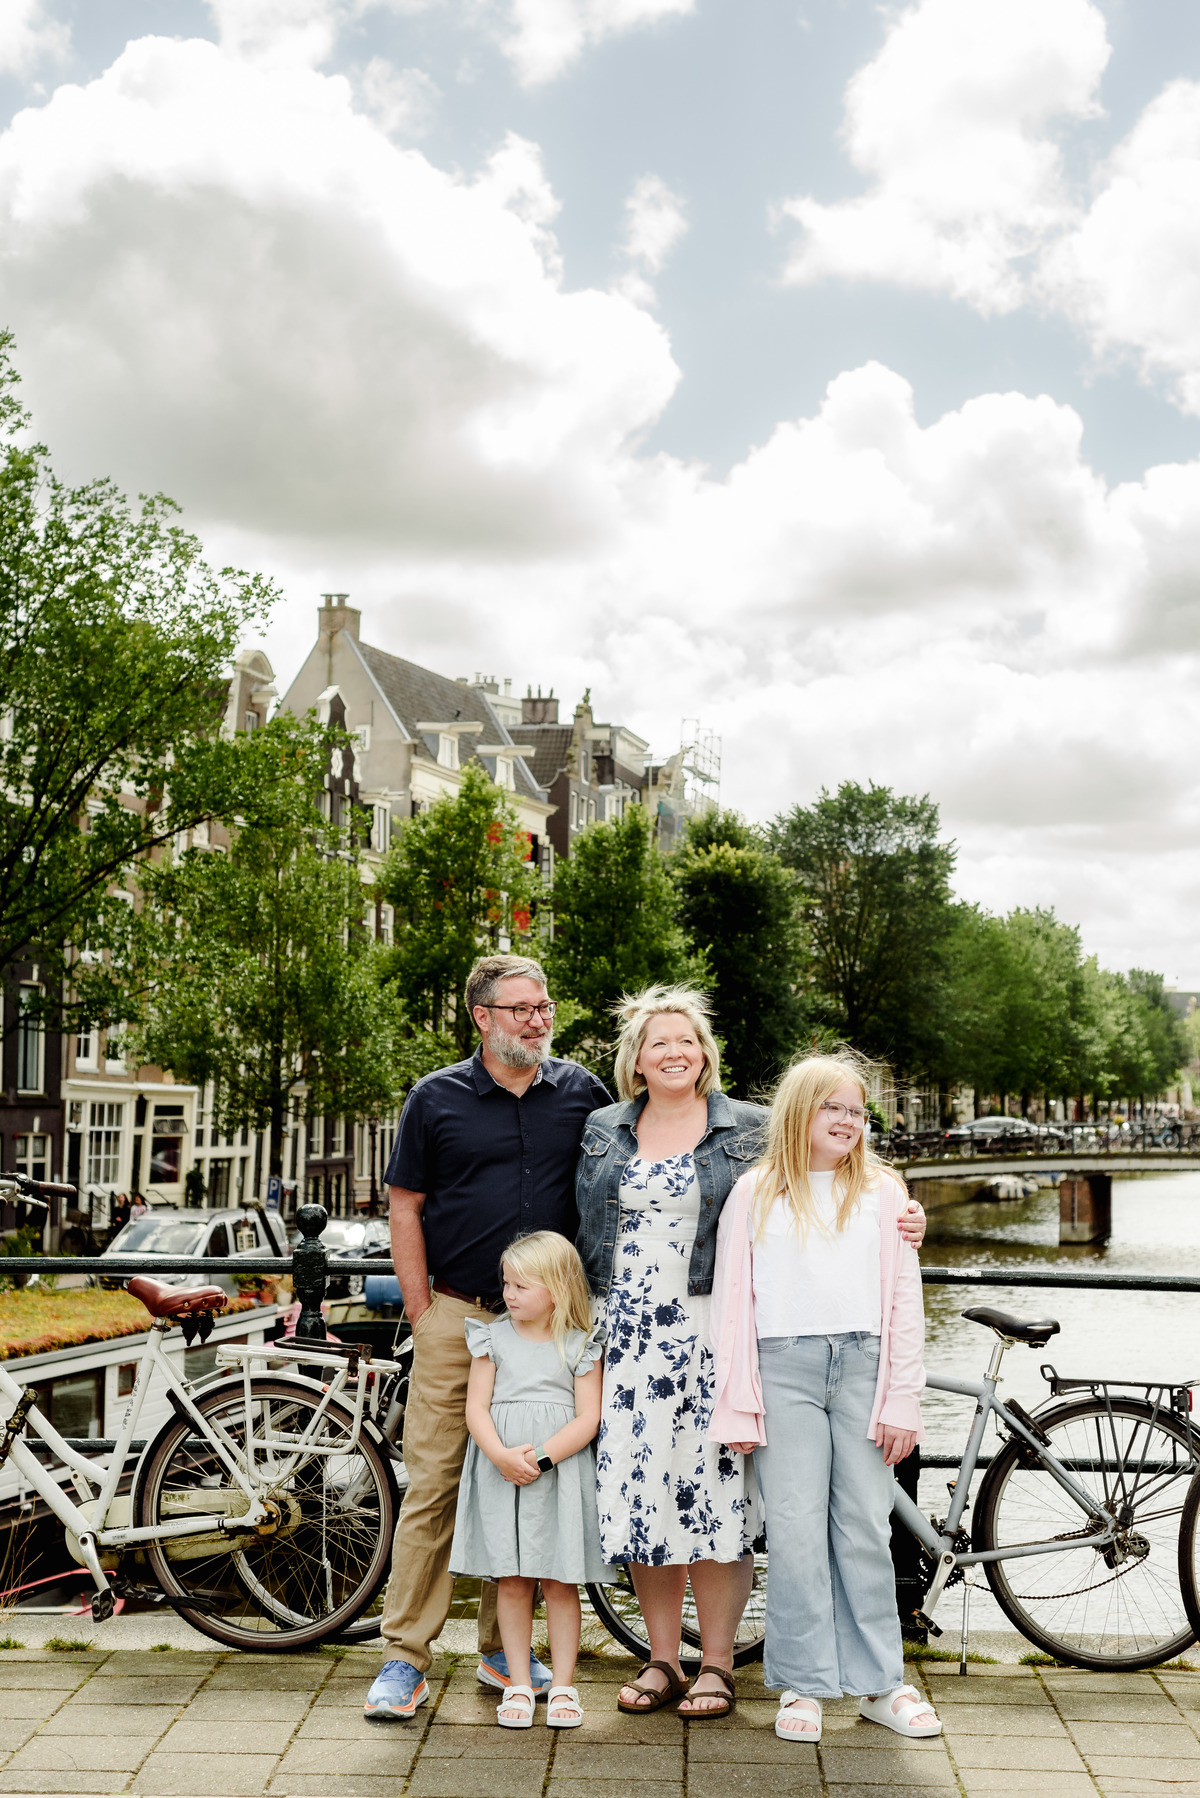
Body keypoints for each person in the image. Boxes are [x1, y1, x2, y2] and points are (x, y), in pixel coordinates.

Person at [576, 991, 927, 1719]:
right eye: (658, 1042)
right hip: (639, 1337)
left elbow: (831, 1156)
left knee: (728, 1506)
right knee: (651, 1501)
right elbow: (581, 1224)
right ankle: (672, 1660)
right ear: (635, 1059)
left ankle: (730, 1665)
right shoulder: (605, 1129)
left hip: (719, 1335)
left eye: (688, 1040)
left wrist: (909, 1213)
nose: (675, 1052)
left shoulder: (754, 1129)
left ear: (707, 1052)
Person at [365, 954, 611, 1723]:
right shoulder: (434, 1098)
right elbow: (405, 1206)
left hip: (552, 1331)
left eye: (544, 1006)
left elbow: (631, 1177)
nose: (539, 1020)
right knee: (436, 1484)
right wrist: (422, 1310)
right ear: (482, 1017)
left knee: (527, 1480)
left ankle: (502, 1651)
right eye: (521, 1009)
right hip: (460, 1317)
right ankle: (405, 1658)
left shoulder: (583, 1093)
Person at [710, 1052, 942, 1745]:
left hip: (864, 1367)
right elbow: (732, 1303)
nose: (846, 1120)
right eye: (832, 1107)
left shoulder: (884, 1192)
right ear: (799, 1111)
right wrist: (737, 1400)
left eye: (856, 1110)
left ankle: (880, 1684)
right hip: (784, 1369)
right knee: (795, 1527)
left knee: (866, 1525)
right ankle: (804, 1683)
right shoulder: (754, 1192)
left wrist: (902, 1398)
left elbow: (904, 1299)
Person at [451, 1231, 611, 1729]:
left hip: (555, 1473)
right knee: (513, 1580)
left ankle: (563, 1686)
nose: (509, 1294)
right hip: (502, 1472)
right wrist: (500, 1455)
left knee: (560, 1582)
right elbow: (476, 1408)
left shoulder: (580, 1344)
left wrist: (539, 1459)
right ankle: (518, 1683)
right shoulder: (491, 1338)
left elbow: (588, 1418)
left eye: (521, 1286)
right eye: (507, 1283)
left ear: (558, 1289)